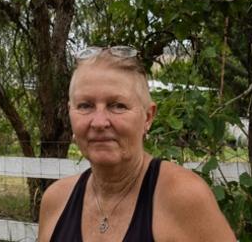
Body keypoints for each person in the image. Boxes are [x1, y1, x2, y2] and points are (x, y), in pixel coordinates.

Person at [38, 46, 236, 242]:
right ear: (70, 112)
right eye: (85, 106)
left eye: (117, 105)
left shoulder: (184, 198)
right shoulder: (56, 201)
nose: (99, 122)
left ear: (148, 117)